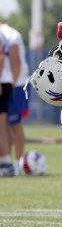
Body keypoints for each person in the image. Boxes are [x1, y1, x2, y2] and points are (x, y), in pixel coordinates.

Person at [1, 22, 30, 165]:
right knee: (5, 125)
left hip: (16, 85)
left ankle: (18, 162)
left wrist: (10, 87)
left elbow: (15, 63)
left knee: (15, 124)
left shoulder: (10, 34)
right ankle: (7, 160)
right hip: (10, 84)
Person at [0, 32, 12, 176]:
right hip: (5, 81)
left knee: (1, 125)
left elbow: (1, 56)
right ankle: (6, 161)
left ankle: (7, 162)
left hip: (2, 81)